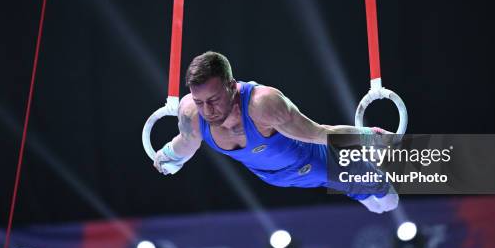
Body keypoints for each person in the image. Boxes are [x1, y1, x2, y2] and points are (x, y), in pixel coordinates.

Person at [153, 51, 398, 213]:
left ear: (231, 86)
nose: (208, 110)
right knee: (367, 199)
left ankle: (368, 182)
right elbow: (184, 144)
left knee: (387, 203)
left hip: (316, 160)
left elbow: (320, 133)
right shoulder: (192, 114)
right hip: (274, 177)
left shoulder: (263, 105)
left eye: (214, 99)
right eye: (199, 101)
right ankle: (358, 190)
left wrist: (368, 136)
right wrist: (167, 158)